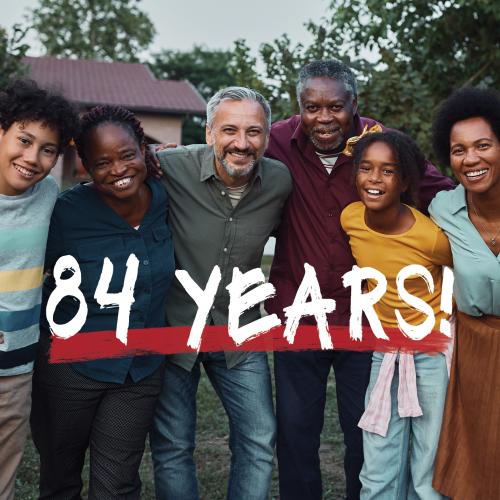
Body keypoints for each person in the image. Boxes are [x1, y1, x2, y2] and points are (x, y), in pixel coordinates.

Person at [264, 59, 455, 499]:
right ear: (299, 106)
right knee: (295, 435)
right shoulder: (275, 143)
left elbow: (440, 191)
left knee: (364, 435)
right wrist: (161, 157)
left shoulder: (381, 148)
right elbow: (224, 153)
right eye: (312, 107)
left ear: (355, 104)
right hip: (298, 314)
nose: (324, 117)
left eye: (335, 106)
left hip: (363, 322)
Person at [150, 86, 292, 500]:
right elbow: (115, 168)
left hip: (241, 329)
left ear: (267, 137)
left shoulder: (279, 181)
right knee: (173, 445)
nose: (242, 143)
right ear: (209, 132)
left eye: (254, 132)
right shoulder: (168, 166)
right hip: (176, 327)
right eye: (229, 130)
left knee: (260, 439)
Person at [30, 105, 175, 499]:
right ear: (85, 166)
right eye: (102, 162)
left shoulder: (167, 199)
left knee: (117, 485)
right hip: (70, 368)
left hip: (138, 370)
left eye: (127, 155)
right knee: (60, 477)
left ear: (144, 149)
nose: (118, 169)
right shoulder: (65, 213)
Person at [340, 131, 452, 499]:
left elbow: (464, 275)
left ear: (404, 181)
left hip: (433, 357)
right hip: (384, 354)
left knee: (428, 467)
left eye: (388, 171)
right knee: (377, 465)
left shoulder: (432, 238)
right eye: (366, 169)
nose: (374, 179)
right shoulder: (351, 218)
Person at [0, 79, 78, 500]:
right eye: (24, 140)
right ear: (2, 130)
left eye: (48, 149)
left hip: (15, 368)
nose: (32, 158)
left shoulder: (48, 193)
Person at [429, 87, 500, 500]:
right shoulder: (443, 209)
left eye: (483, 146)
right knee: (475, 467)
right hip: (472, 351)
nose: (470, 159)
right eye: (458, 150)